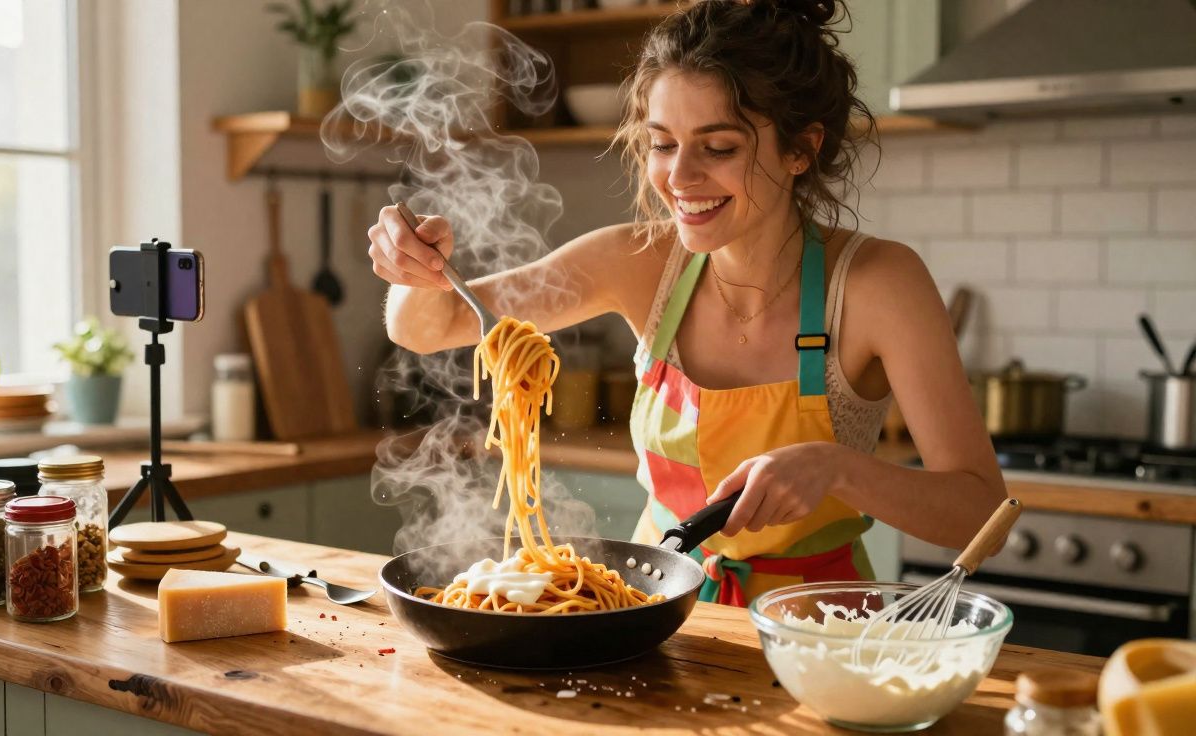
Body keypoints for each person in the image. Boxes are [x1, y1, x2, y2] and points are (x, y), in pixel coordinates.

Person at [366, 0, 1007, 606]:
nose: (678, 177)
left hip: (819, 631)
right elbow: (431, 326)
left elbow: (981, 513)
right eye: (662, 144)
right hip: (658, 610)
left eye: (718, 147)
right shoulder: (638, 261)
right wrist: (416, 269)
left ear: (801, 149)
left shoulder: (877, 284)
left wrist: (836, 468)